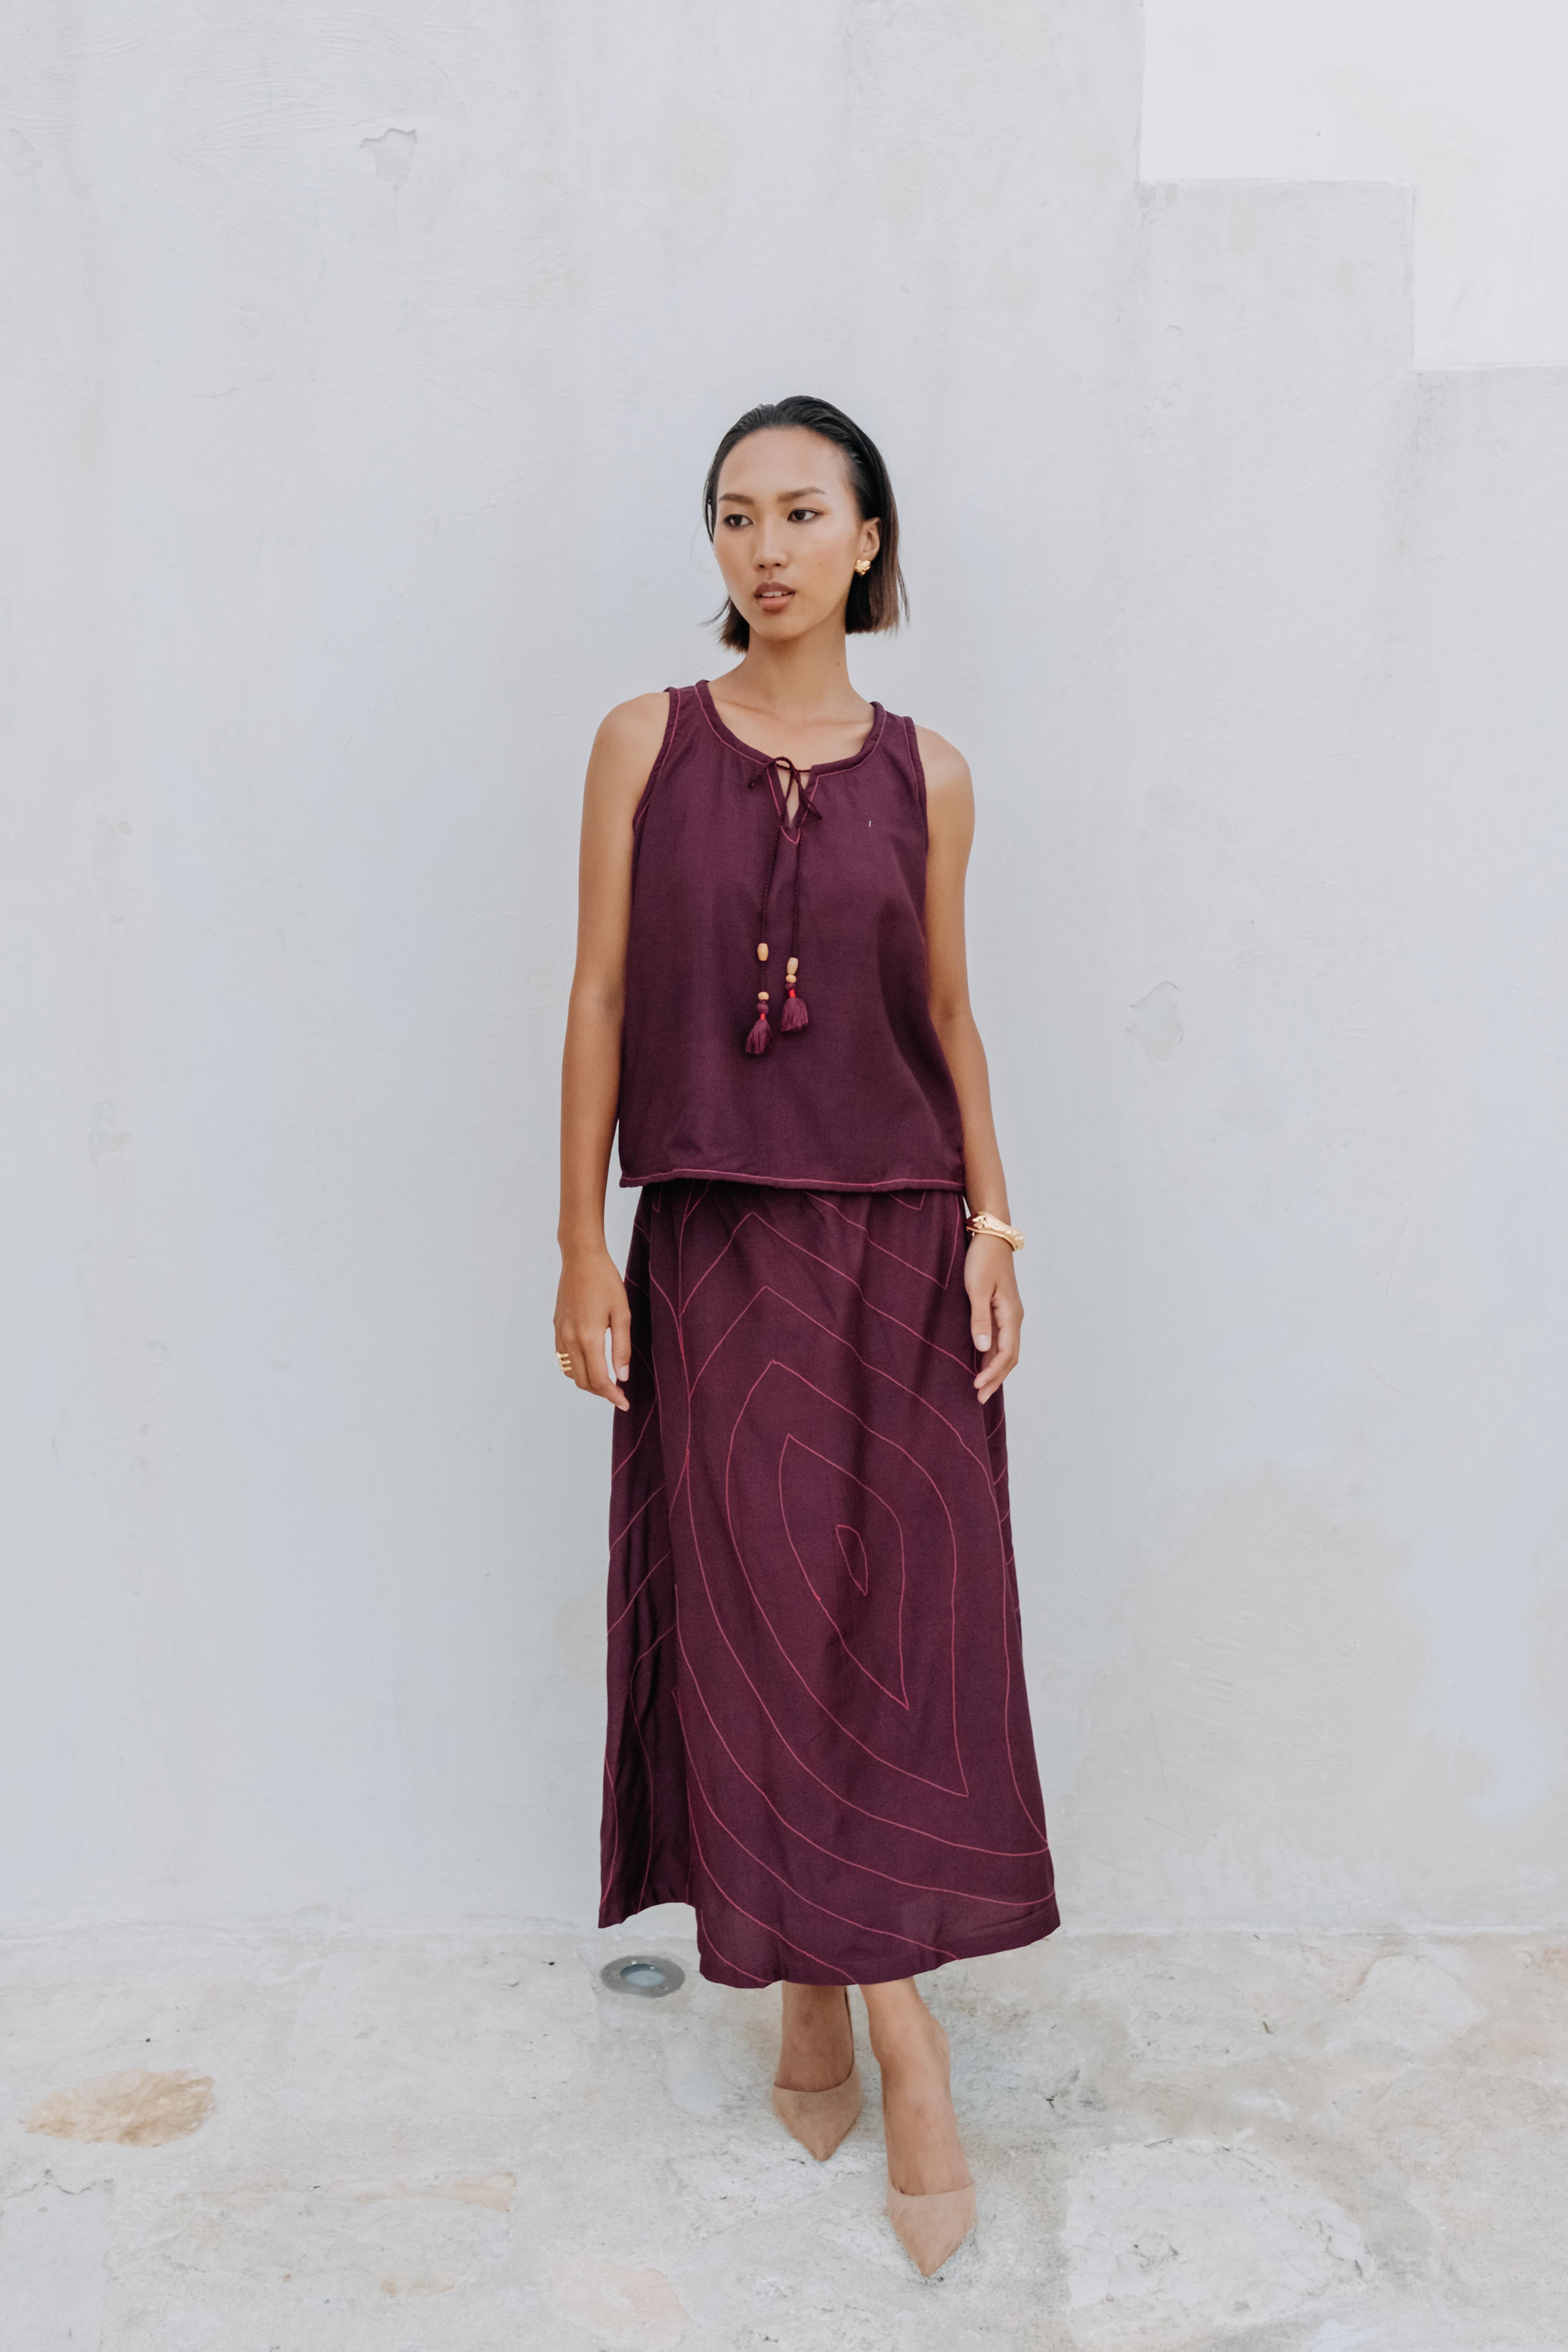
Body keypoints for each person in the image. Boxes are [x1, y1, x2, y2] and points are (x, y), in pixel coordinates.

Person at [553, 395, 1058, 2277]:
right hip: (712, 1238)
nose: (761, 547)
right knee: (761, 1628)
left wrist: (994, 1227)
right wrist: (578, 1243)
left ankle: (823, 2001)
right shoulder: (643, 742)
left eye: (796, 513)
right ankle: (899, 2033)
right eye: (731, 515)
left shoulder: (932, 774)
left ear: (866, 539)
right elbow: (599, 994)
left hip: (904, 1241)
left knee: (898, 1638)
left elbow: (949, 1009)